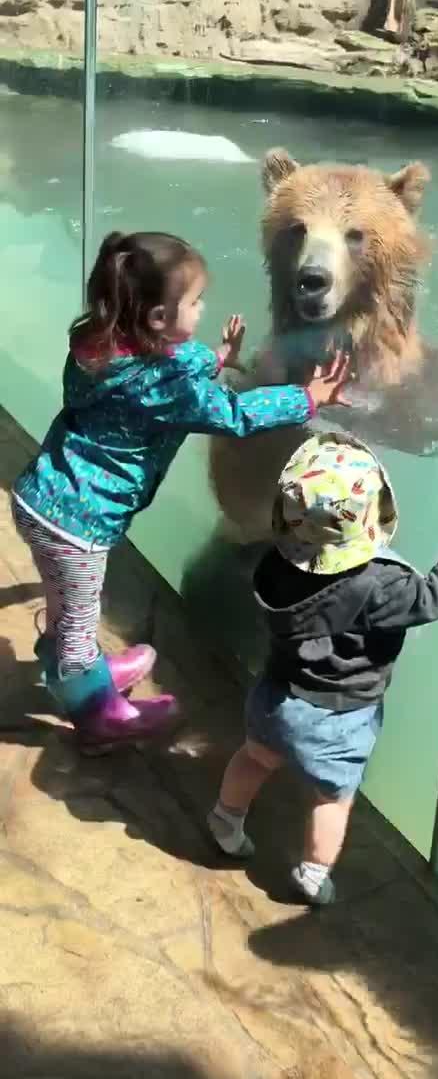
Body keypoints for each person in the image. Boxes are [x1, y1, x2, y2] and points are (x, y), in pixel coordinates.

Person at [11, 231, 350, 754]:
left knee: (67, 606)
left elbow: (164, 374)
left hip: (42, 497)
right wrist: (306, 398)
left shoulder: (100, 345)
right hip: (76, 525)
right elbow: (231, 415)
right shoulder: (160, 382)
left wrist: (215, 359)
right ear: (157, 319)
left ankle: (82, 668)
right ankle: (96, 713)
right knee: (78, 621)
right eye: (193, 302)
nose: (202, 307)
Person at [208, 430, 438, 906]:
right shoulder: (382, 583)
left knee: (254, 757)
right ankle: (313, 873)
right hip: (341, 718)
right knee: (331, 799)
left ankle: (225, 818)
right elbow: (435, 597)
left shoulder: (274, 563)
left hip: (276, 697)